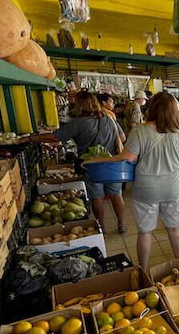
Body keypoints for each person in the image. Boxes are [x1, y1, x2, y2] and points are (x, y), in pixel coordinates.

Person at [85, 92, 179, 270]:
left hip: (146, 189)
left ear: (151, 108)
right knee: (174, 229)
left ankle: (143, 270)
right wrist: (173, 171)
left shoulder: (140, 130)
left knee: (145, 232)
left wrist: (98, 160)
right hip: (174, 189)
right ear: (174, 112)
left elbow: (127, 158)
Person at [38, 92, 127, 232]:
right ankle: (121, 225)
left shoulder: (78, 123)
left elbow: (56, 137)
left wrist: (32, 138)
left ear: (79, 105)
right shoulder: (109, 118)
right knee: (116, 194)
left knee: (97, 197)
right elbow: (122, 138)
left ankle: (101, 228)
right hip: (112, 163)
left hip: (91, 166)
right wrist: (106, 145)